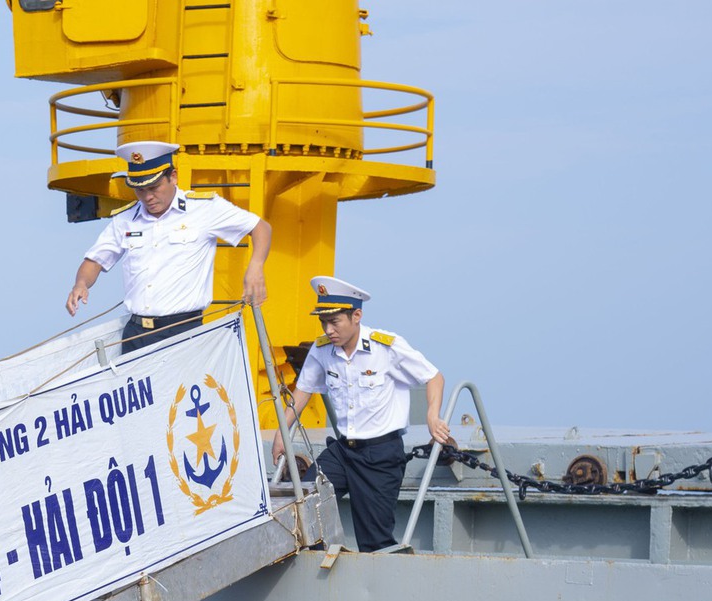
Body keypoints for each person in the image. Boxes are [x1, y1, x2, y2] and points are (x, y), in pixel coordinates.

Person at [275, 276, 449, 552]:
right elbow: (303, 392)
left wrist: (432, 415)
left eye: (335, 322)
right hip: (343, 452)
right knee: (302, 507)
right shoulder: (322, 351)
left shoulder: (385, 347)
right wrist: (281, 434)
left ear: (356, 316)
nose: (328, 329)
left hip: (380, 456)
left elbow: (433, 377)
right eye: (323, 322)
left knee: (375, 542)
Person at [65, 141, 272, 354]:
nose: (147, 197)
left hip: (183, 331)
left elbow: (260, 228)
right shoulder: (125, 219)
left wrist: (255, 267)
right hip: (136, 335)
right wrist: (81, 284)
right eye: (139, 189)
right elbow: (95, 260)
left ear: (173, 177)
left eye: (154, 188)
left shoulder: (204, 208)